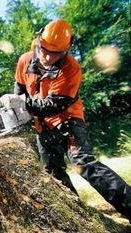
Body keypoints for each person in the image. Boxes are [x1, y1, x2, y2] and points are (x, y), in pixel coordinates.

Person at [13, 19, 131, 221]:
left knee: (84, 163)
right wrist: (15, 106)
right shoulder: (25, 60)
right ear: (39, 42)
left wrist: (23, 104)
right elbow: (20, 89)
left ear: (65, 51)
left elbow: (54, 105)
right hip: (43, 126)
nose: (48, 57)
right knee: (53, 173)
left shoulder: (71, 67)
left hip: (69, 121)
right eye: (45, 50)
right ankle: (78, 218)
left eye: (55, 53)